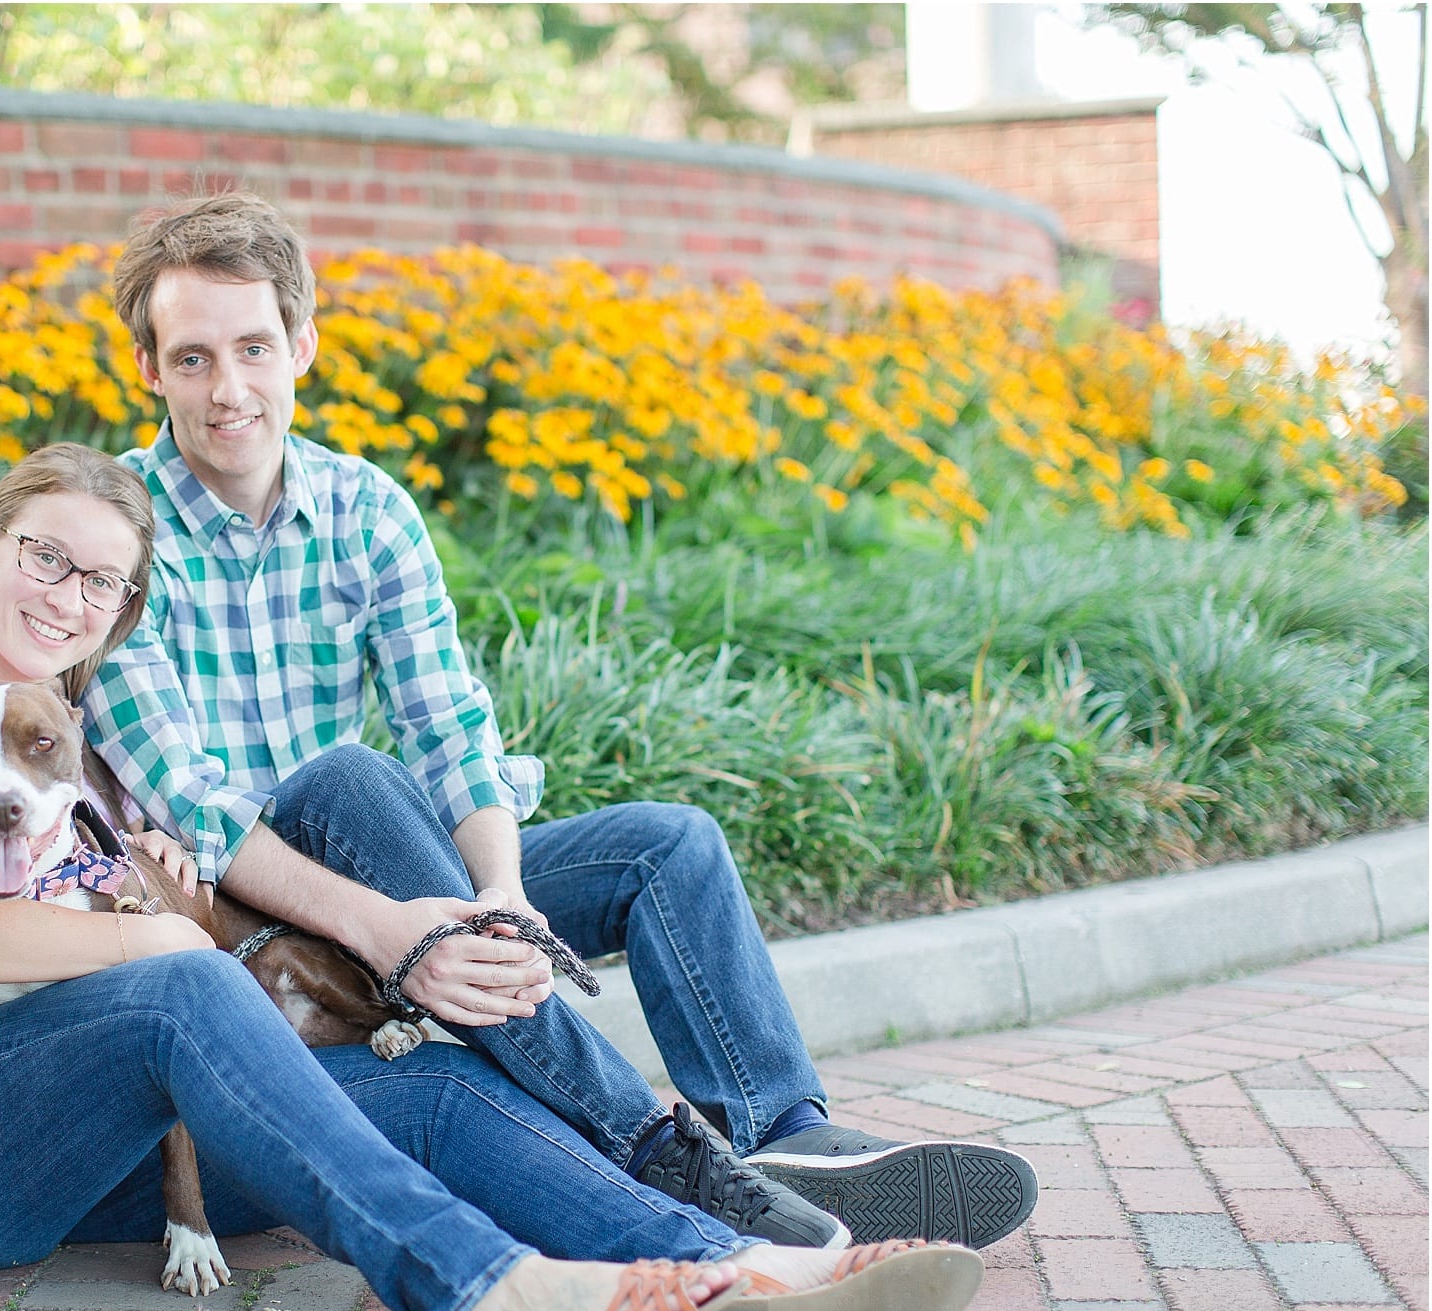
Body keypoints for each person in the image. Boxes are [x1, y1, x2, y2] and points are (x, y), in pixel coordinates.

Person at [0, 442, 984, 1311]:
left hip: (87, 1154)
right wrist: (154, 929)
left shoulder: (64, 750)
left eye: (102, 581)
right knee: (185, 976)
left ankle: (737, 1265)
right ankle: (495, 1294)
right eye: (47, 559)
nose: (68, 597)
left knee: (432, 1085)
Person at [82, 192, 1040, 1252]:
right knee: (345, 781)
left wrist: (498, 895)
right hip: (255, 922)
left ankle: (782, 1141)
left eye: (254, 348)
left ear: (302, 344)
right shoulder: (115, 531)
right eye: (193, 359)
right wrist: (395, 932)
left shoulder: (366, 509)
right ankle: (652, 1147)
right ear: (148, 368)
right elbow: (195, 807)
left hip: (407, 887)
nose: (228, 390)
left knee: (665, 846)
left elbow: (451, 729)